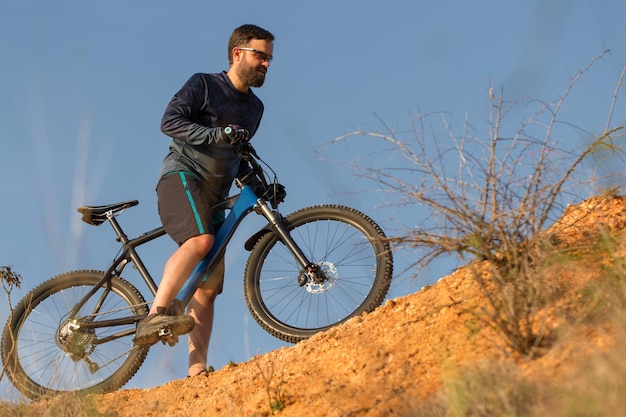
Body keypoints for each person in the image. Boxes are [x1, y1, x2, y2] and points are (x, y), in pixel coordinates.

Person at [134, 24, 275, 378]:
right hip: (182, 176)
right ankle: (155, 315)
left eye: (269, 59)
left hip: (215, 194)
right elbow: (170, 122)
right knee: (201, 241)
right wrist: (217, 132)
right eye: (261, 56)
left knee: (207, 289)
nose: (266, 64)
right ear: (237, 53)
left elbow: (236, 151)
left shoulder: (255, 109)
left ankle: (197, 368)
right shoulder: (205, 84)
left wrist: (261, 182)